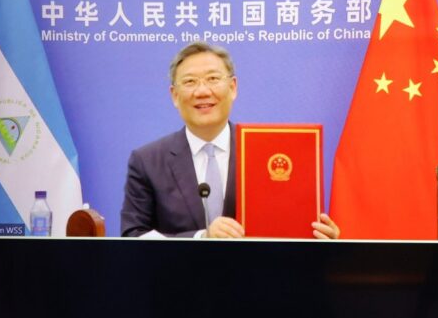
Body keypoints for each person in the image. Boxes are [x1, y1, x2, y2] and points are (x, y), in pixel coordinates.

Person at [120, 42, 340, 239]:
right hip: (180, 281)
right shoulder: (147, 161)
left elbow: (290, 225)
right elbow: (134, 235)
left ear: (233, 87)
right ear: (174, 96)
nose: (202, 91)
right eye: (189, 82)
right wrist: (200, 238)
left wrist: (321, 240)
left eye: (213, 79)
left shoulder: (265, 151)